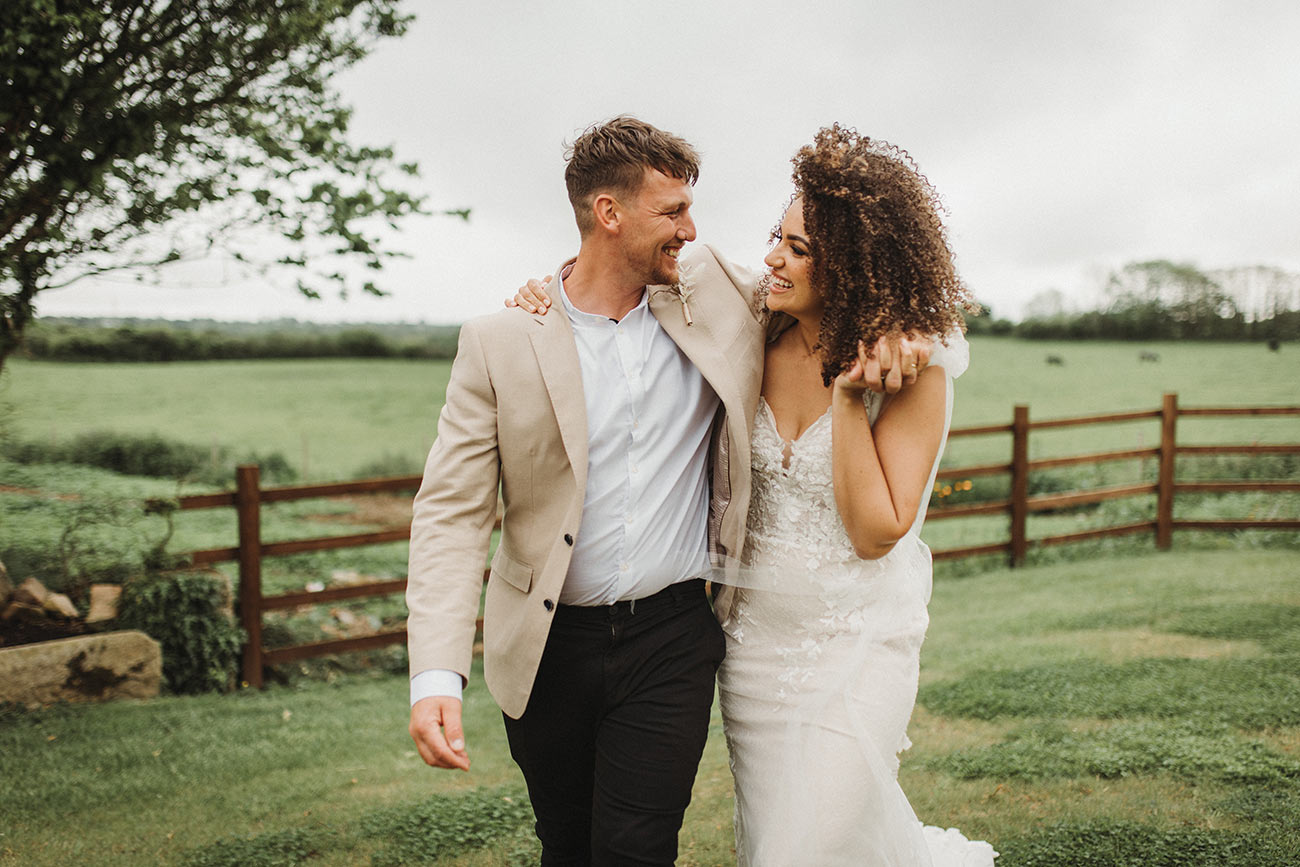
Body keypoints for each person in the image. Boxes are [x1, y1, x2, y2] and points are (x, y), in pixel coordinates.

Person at [513, 125, 995, 865]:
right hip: (753, 647)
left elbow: (875, 531)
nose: (773, 255)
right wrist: (542, 291)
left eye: (800, 248)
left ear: (857, 265)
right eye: (779, 235)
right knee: (780, 841)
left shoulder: (910, 370)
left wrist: (845, 403)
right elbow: (620, 274)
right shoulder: (755, 325)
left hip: (855, 642)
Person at [405, 115, 769, 866]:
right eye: (672, 211)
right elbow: (452, 513)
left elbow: (833, 287)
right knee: (567, 846)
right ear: (609, 214)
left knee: (637, 848)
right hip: (547, 648)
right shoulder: (501, 339)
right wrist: (436, 672)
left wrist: (907, 335)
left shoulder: (717, 299)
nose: (690, 229)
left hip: (671, 637)